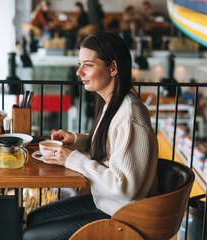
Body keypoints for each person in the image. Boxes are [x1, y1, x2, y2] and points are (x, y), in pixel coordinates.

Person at [22, 32, 158, 240]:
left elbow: (125, 188)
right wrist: (77, 140)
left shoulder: (129, 114)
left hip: (123, 216)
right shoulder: (113, 103)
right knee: (34, 217)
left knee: (32, 235)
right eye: (80, 64)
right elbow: (114, 146)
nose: (78, 72)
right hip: (104, 201)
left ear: (113, 68)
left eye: (88, 65)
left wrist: (72, 159)